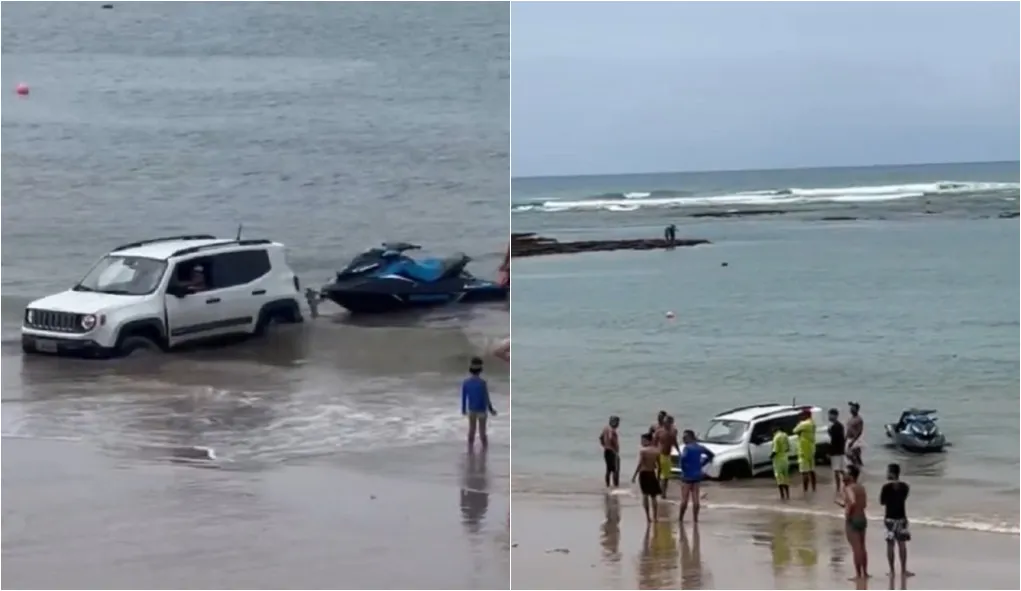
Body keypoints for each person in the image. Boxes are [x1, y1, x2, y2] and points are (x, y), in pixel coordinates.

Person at [880, 463, 913, 578]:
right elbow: (903, 499)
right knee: (902, 544)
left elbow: (882, 502)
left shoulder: (886, 487)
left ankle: (892, 571)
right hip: (902, 517)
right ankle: (903, 570)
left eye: (888, 471)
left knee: (890, 545)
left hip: (889, 518)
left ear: (891, 473)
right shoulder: (905, 487)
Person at [836, 464, 869, 581]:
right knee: (862, 547)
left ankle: (858, 574)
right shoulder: (861, 487)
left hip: (853, 519)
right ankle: (865, 572)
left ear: (851, 475)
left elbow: (853, 502)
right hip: (862, 518)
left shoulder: (849, 488)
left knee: (856, 548)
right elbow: (863, 504)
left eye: (846, 473)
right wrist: (844, 505)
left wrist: (848, 515)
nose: (844, 475)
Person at [460, 357, 497, 451]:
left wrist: (463, 409)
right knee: (482, 433)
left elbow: (464, 397)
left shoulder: (466, 383)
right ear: (480, 370)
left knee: (471, 431)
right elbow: (486, 398)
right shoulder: (482, 383)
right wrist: (491, 409)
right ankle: (485, 450)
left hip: (471, 410)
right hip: (482, 410)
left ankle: (470, 449)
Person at [677, 429, 714, 522]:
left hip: (687, 476)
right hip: (697, 475)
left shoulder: (687, 448)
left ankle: (680, 518)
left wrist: (682, 469)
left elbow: (682, 460)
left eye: (685, 437)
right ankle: (695, 519)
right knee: (696, 499)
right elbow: (711, 455)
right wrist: (702, 463)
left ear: (690, 437)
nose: (683, 439)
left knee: (684, 499)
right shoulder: (700, 447)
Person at [631, 432, 663, 522]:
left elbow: (640, 464)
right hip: (652, 473)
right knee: (653, 497)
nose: (641, 442)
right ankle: (655, 517)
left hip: (644, 473)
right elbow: (659, 466)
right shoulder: (656, 451)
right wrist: (659, 476)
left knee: (645, 495)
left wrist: (634, 476)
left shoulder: (643, 451)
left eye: (643, 440)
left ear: (648, 440)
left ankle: (648, 517)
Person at [792, 409, 817, 493]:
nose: (801, 417)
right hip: (811, 449)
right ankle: (814, 488)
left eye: (802, 415)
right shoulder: (812, 423)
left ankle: (805, 490)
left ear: (806, 415)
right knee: (812, 470)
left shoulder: (804, 424)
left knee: (804, 472)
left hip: (803, 450)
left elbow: (794, 430)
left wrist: (799, 423)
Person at [654, 415, 680, 496]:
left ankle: (662, 492)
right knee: (660, 472)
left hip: (667, 455)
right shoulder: (659, 431)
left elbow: (675, 442)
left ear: (671, 423)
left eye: (668, 422)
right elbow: (654, 443)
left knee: (666, 475)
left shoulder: (673, 432)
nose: (666, 424)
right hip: (659, 454)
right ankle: (659, 490)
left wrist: (679, 452)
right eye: (665, 422)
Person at [827, 408, 847, 494]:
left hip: (836, 452)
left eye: (830, 415)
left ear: (835, 416)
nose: (829, 416)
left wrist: (830, 452)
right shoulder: (839, 426)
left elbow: (834, 441)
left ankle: (838, 489)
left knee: (837, 471)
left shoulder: (835, 426)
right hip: (840, 451)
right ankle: (848, 485)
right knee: (841, 470)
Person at [770, 423, 791, 500]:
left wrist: (770, 456)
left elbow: (775, 450)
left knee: (779, 479)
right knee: (786, 477)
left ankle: (782, 496)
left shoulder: (776, 438)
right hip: (785, 459)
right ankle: (788, 495)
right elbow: (788, 448)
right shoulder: (785, 435)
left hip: (778, 460)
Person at [599, 415, 621, 488]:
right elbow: (611, 438)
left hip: (606, 450)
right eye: (617, 422)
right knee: (616, 470)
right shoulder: (612, 430)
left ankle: (607, 486)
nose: (618, 424)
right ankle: (616, 486)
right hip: (612, 451)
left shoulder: (605, 428)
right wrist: (615, 448)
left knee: (608, 469)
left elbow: (601, 438)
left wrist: (604, 445)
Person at [846, 402, 864, 468]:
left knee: (854, 455)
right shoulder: (850, 418)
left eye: (853, 408)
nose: (851, 410)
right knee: (851, 455)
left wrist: (853, 441)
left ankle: (858, 468)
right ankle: (859, 467)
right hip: (849, 438)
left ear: (857, 409)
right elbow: (848, 429)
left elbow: (859, 431)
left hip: (856, 439)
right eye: (851, 408)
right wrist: (845, 439)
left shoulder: (859, 419)